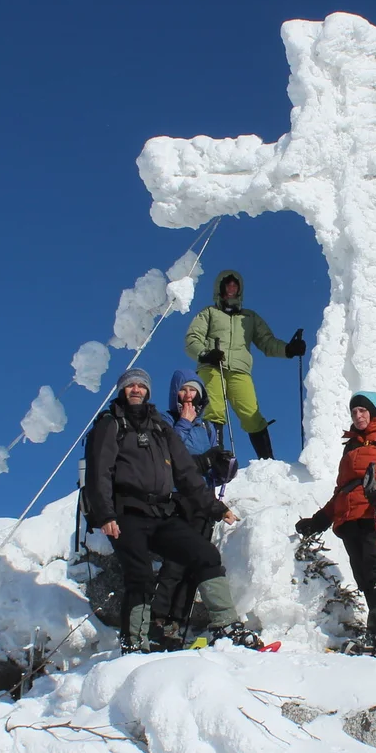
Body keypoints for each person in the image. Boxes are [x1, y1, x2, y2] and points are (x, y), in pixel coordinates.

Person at [83, 368, 259, 653]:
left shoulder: (159, 427)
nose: (136, 389)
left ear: (148, 391)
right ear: (122, 390)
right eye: (131, 386)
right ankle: (134, 643)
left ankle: (226, 626)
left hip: (161, 512)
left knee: (205, 554)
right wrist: (105, 514)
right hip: (126, 511)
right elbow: (99, 470)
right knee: (139, 574)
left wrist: (215, 507)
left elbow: (186, 473)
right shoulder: (111, 424)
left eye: (142, 385)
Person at [295, 391, 376, 662]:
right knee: (365, 576)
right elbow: (343, 491)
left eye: (363, 410)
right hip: (350, 520)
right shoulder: (350, 447)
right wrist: (320, 520)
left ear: (373, 412)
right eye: (354, 412)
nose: (358, 416)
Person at [153, 369, 240, 645]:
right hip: (177, 497)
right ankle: (157, 620)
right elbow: (167, 455)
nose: (189, 396)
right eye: (184, 390)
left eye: (194, 391)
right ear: (175, 393)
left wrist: (222, 470)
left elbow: (207, 468)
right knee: (176, 560)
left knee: (195, 564)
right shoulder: (166, 420)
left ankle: (176, 624)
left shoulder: (208, 427)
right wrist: (184, 423)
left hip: (203, 498)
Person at [184, 270, 306, 461]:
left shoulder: (249, 318)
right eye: (228, 285)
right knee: (214, 409)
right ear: (220, 288)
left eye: (235, 285)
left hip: (240, 370)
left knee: (251, 413)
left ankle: (268, 462)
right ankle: (215, 458)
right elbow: (192, 338)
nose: (232, 288)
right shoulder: (209, 313)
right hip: (211, 366)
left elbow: (267, 341)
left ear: (239, 290)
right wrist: (205, 354)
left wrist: (288, 349)